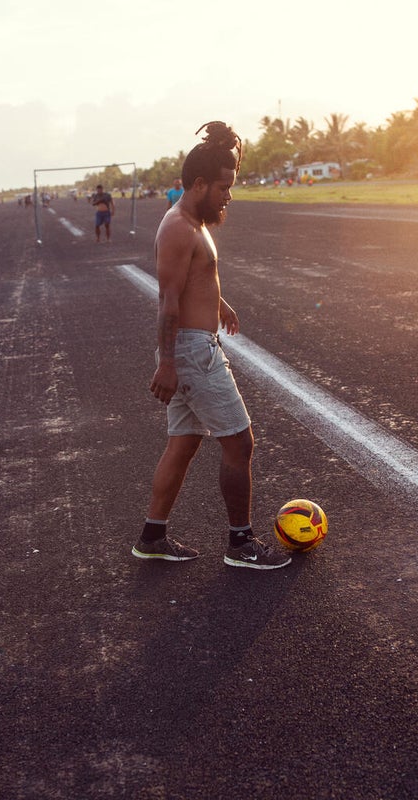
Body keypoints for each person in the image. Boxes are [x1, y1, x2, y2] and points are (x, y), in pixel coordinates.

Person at [131, 121, 291, 570]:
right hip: (191, 352)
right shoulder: (180, 227)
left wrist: (219, 303)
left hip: (190, 346)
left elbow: (191, 281)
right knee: (240, 443)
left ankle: (152, 536)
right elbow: (167, 300)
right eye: (223, 187)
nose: (229, 196)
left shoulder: (191, 222)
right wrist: (167, 363)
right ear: (199, 184)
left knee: (183, 442)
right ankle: (241, 545)